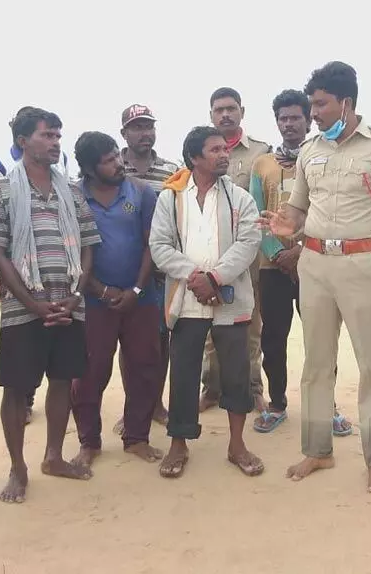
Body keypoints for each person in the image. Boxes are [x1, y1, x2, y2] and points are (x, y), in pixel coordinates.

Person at [258, 61, 371, 493]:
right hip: (313, 264)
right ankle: (317, 450)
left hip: (361, 265)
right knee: (315, 364)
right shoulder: (310, 151)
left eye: (321, 104)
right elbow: (297, 212)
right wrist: (281, 224)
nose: (314, 113)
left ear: (346, 103)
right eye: (312, 105)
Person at [0, 107, 101, 502]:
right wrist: (32, 303)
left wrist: (76, 295)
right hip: (22, 309)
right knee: (16, 388)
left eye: (57, 136)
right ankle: (18, 467)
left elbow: (86, 247)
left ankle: (54, 456)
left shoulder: (72, 192)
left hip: (68, 304)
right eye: (47, 135)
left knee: (63, 381)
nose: (54, 143)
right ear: (22, 141)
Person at [149, 125, 264, 478]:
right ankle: (179, 445)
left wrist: (215, 278)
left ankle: (237, 445)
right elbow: (159, 246)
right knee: (183, 374)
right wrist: (195, 278)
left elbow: (249, 242)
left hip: (229, 299)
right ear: (195, 157)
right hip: (187, 300)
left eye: (225, 149)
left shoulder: (240, 197)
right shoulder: (170, 197)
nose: (224, 154)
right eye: (215, 150)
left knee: (236, 374)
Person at [249, 89, 352, 436]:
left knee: (322, 338)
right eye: (283, 118)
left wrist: (302, 250)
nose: (289, 124)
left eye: (296, 117)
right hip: (272, 268)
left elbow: (333, 212)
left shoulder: (325, 158)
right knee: (273, 339)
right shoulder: (261, 164)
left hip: (318, 263)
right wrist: (278, 253)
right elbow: (256, 216)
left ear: (308, 121)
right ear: (276, 122)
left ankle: (327, 406)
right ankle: (277, 404)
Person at [70, 130, 164, 469]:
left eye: (116, 156)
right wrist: (101, 291)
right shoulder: (73, 197)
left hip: (142, 298)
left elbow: (152, 244)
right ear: (89, 169)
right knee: (89, 372)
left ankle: (137, 437)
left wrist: (136, 290)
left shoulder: (141, 192)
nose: (118, 163)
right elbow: (73, 254)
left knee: (144, 366)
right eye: (108, 161)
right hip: (94, 302)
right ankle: (89, 442)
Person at [200, 87, 270, 413]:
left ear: (242, 110)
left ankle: (253, 389)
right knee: (210, 326)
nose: (225, 114)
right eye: (218, 110)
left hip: (249, 257)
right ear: (211, 114)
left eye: (230, 108)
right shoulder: (199, 152)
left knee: (251, 325)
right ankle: (212, 389)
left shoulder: (260, 153)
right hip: (209, 254)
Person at [116, 103, 179, 434]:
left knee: (159, 340)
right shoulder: (113, 169)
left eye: (149, 126)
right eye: (137, 127)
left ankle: (156, 404)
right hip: (122, 269)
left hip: (160, 271)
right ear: (124, 133)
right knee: (128, 343)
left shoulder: (170, 171)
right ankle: (133, 405)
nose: (145, 133)